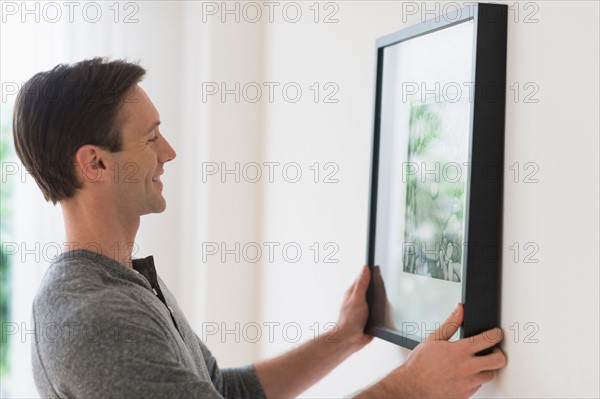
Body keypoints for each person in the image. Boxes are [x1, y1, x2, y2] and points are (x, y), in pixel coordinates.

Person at [13, 58, 506, 398]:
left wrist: (341, 338)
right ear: (95, 164)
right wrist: (410, 388)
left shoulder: (126, 281)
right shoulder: (94, 316)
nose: (168, 152)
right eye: (150, 137)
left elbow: (223, 393)